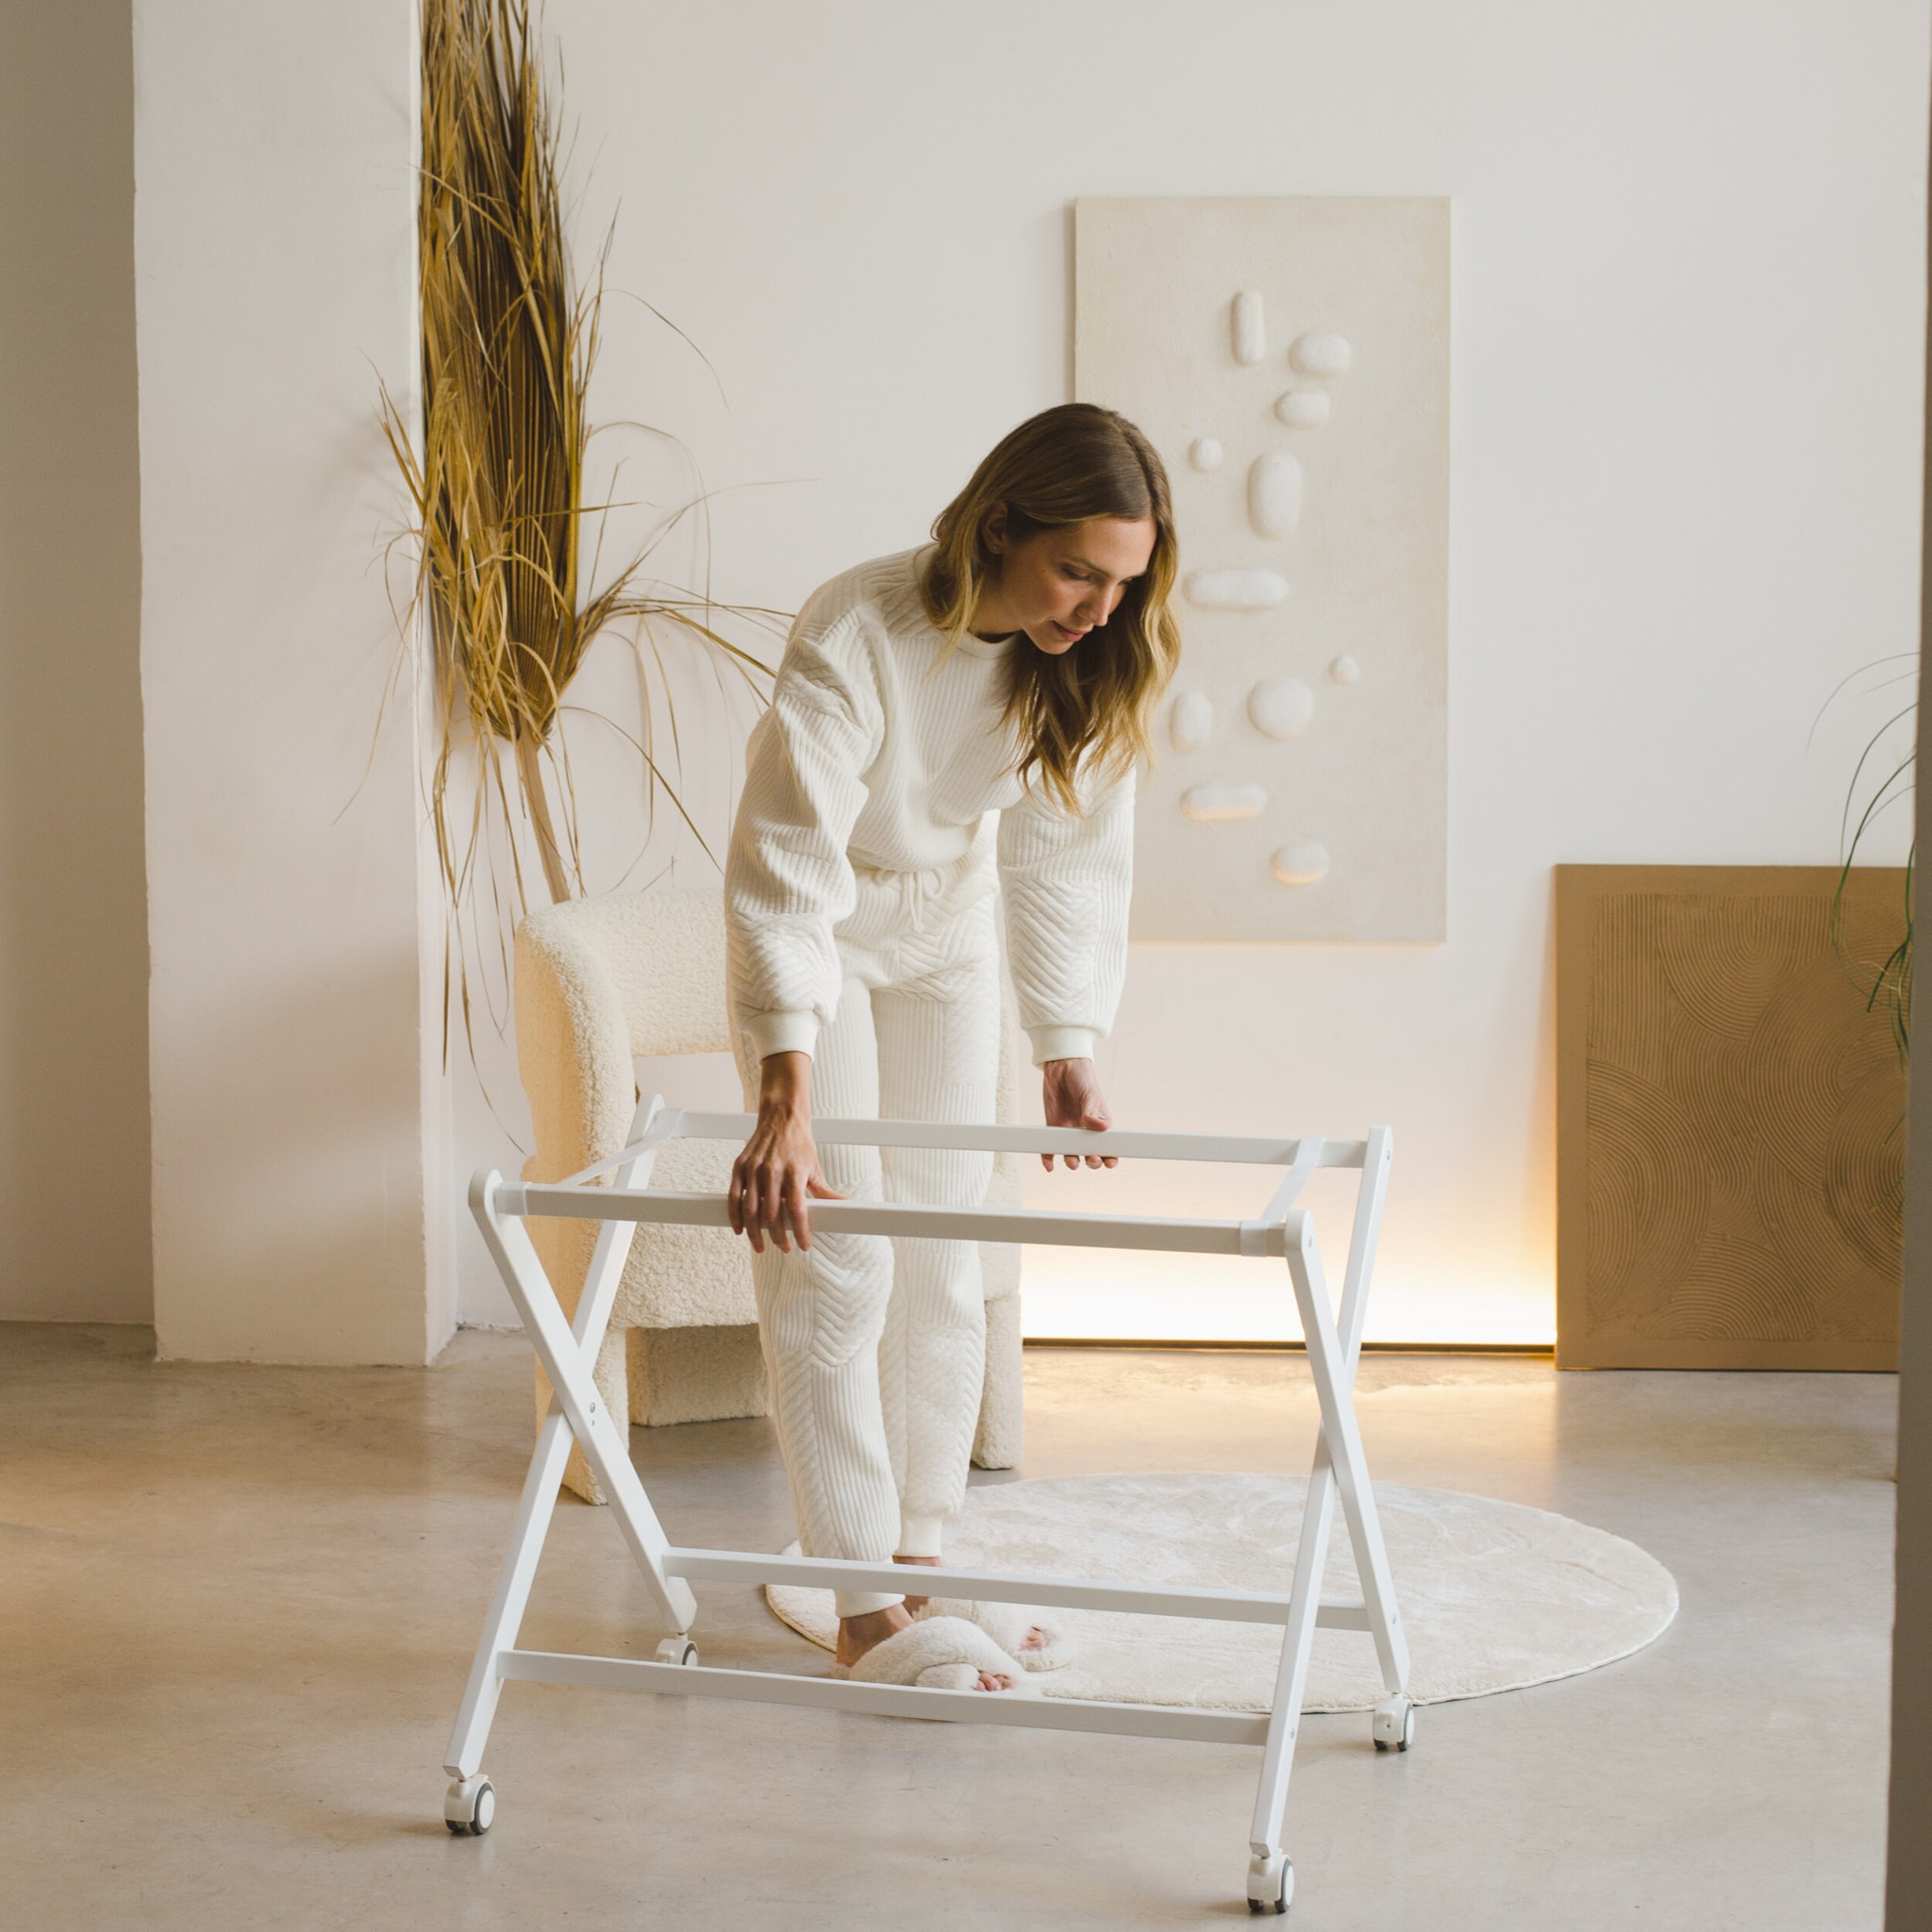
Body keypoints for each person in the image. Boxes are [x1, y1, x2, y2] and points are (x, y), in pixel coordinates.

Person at [723, 402, 1179, 1692]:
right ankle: (863, 1606)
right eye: (1077, 569)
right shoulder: (858, 631)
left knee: (946, 1248)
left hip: (949, 935)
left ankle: (926, 1564)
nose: (1099, 607)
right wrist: (782, 1094)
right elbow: (784, 862)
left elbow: (1066, 848)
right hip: (833, 935)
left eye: (1123, 580)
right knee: (839, 1255)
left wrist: (1066, 1033)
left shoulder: (1080, 657)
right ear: (998, 527)